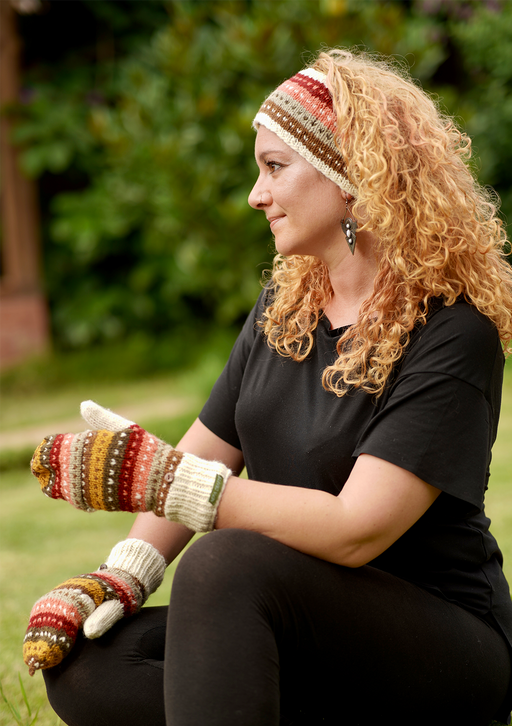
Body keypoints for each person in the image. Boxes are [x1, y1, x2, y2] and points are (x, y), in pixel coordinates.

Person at [23, 47, 512, 726]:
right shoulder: (285, 309)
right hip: (294, 622)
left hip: (439, 646)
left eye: (275, 167)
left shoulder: (454, 332)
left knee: (224, 564)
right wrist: (122, 573)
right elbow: (203, 453)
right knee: (90, 661)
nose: (257, 195)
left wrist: (168, 481)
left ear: (351, 175)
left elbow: (357, 530)